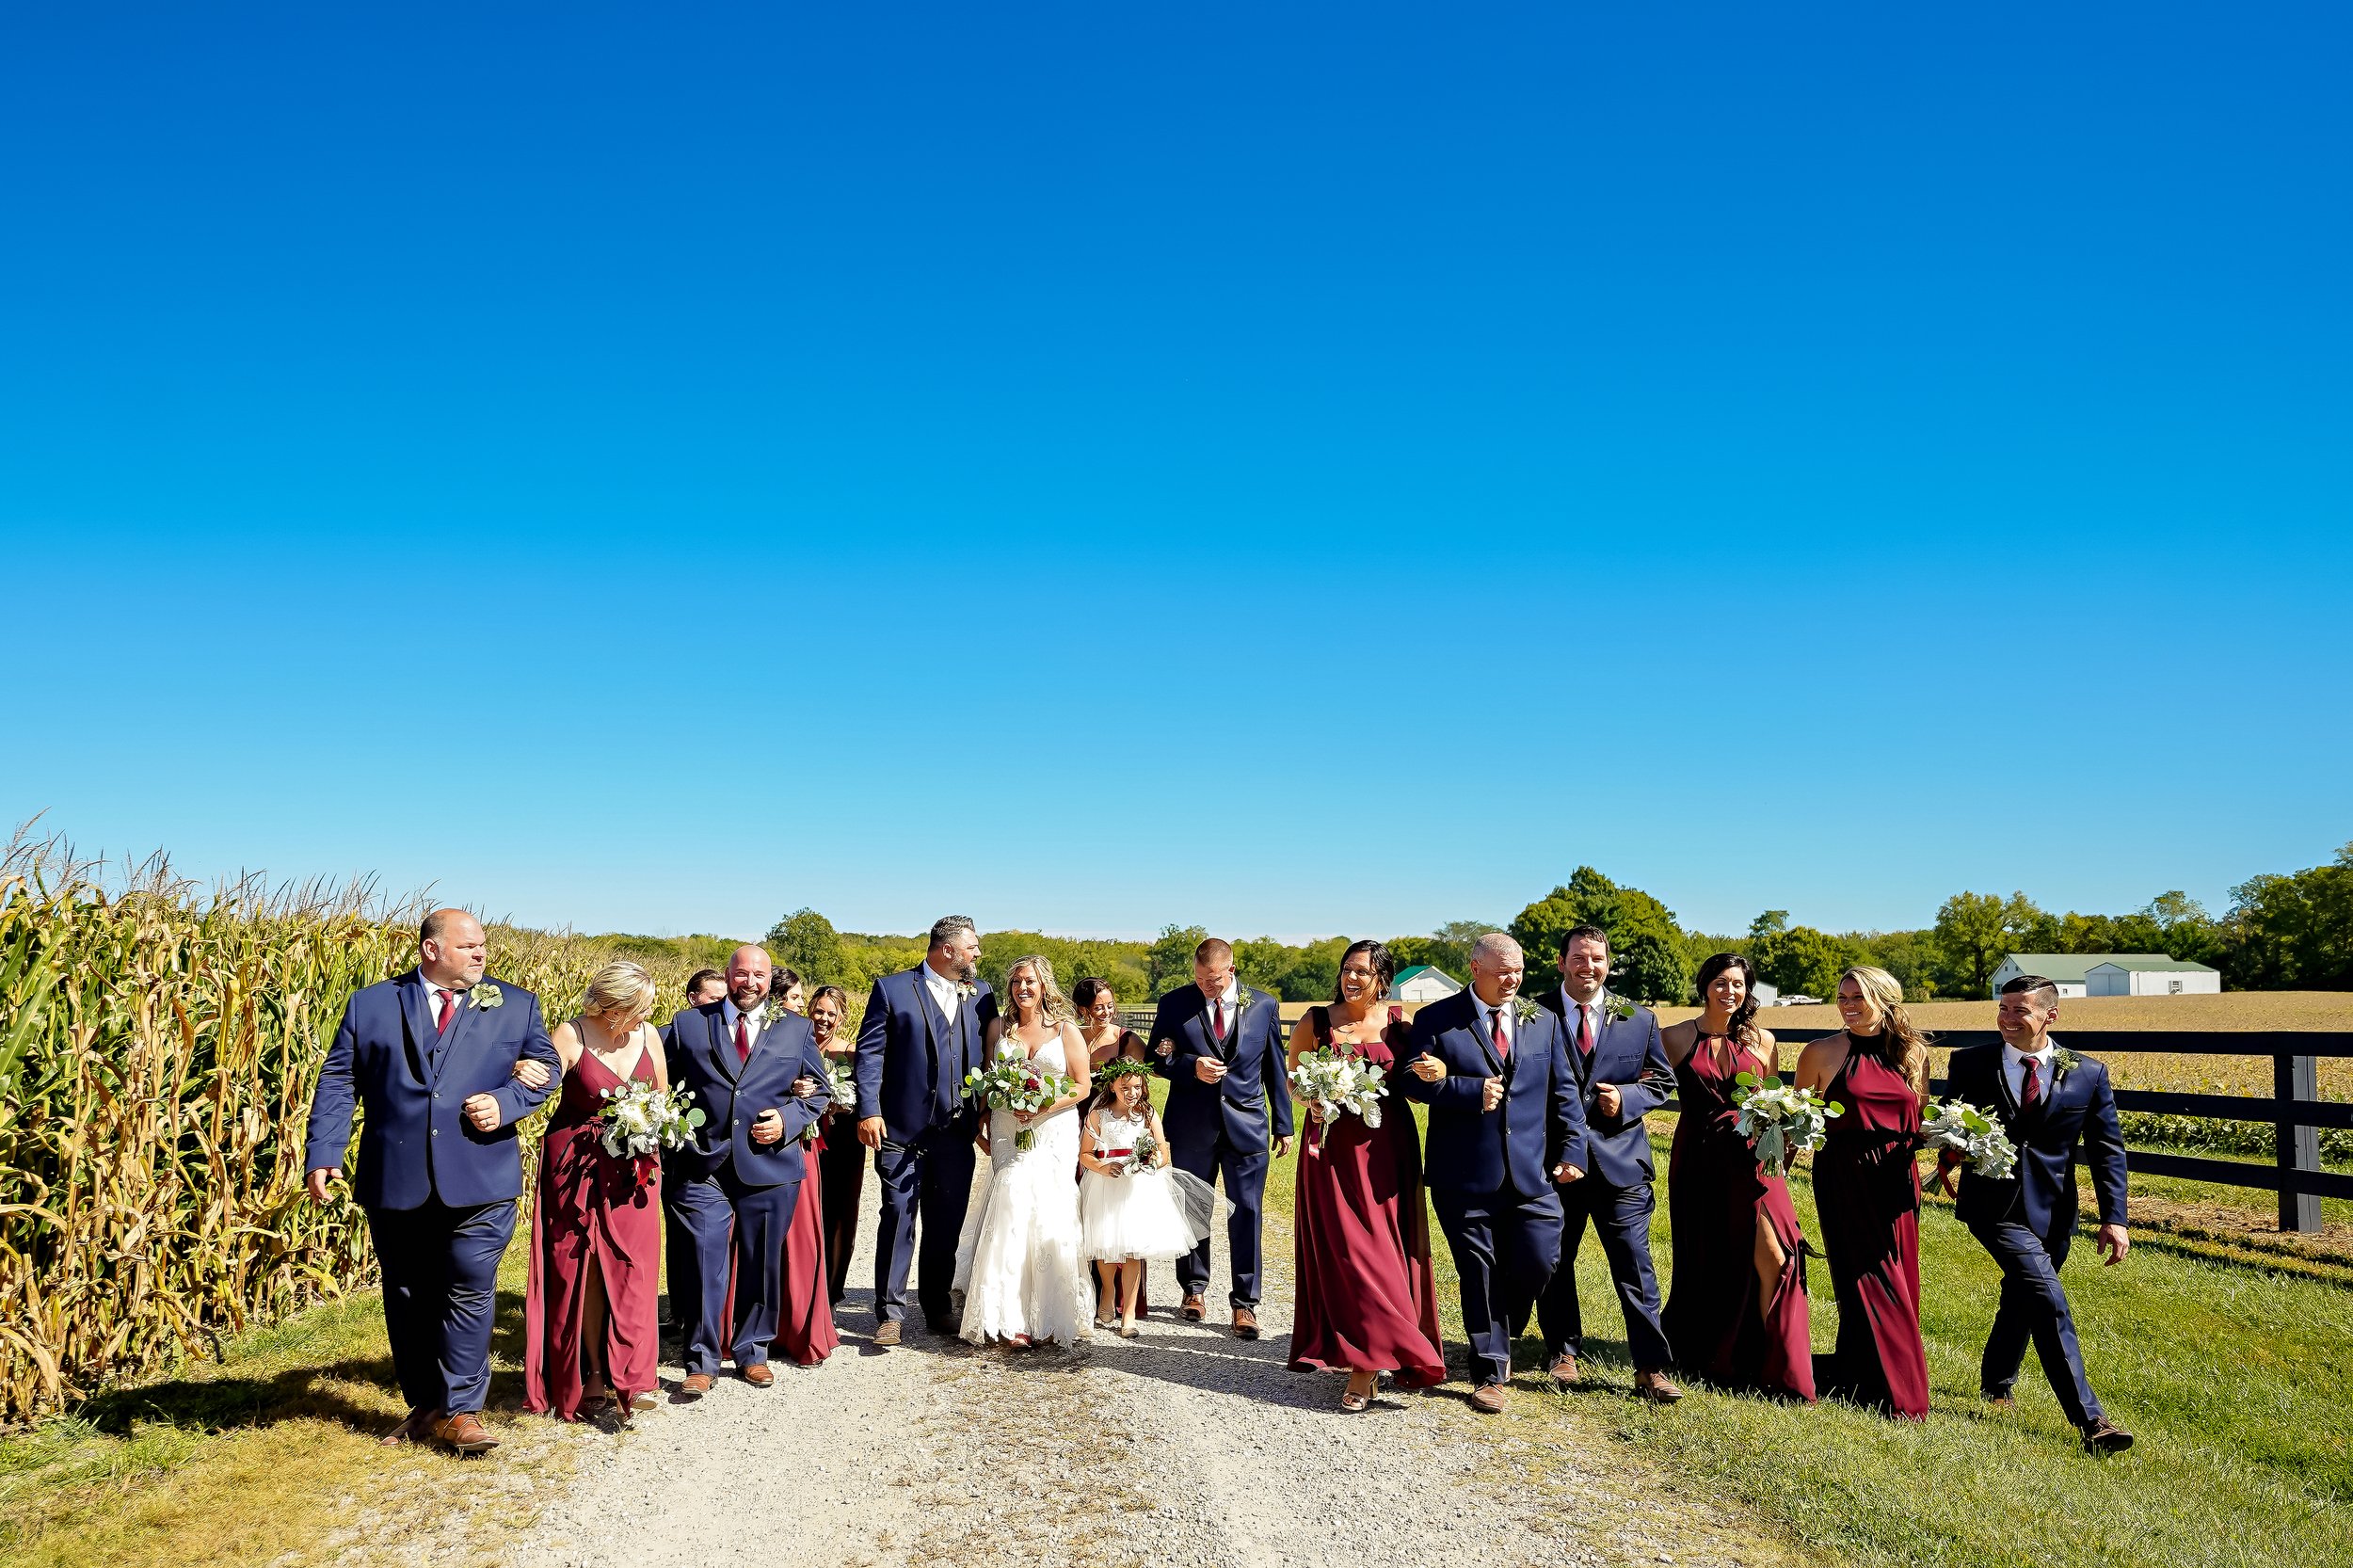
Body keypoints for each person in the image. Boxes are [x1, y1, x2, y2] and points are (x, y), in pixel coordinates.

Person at [303, 909, 560, 1454]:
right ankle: (426, 1404)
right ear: (430, 950)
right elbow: (339, 1079)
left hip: (481, 1174)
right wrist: (324, 1152)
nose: (480, 955)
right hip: (396, 1175)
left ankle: (463, 1410)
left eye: (483, 946)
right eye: (468, 947)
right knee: (408, 1293)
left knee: (470, 1285)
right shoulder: (370, 1004)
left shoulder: (514, 1004)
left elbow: (545, 1068)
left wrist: (507, 1102)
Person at [1938, 974, 2135, 1453]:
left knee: (2023, 1294)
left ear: (2050, 1015)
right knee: (2046, 1297)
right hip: (1992, 1204)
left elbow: (2107, 1149)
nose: (2006, 1018)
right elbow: (1948, 1120)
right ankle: (2091, 1421)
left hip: (2055, 1209)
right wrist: (1950, 1149)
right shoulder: (1969, 1063)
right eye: (2002, 1008)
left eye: (2018, 1010)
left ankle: (1997, 1384)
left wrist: (2115, 1217)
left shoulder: (2088, 1073)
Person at [1394, 932, 1585, 1416]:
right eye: (1503, 970)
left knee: (1542, 1258)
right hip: (1463, 1172)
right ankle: (1490, 1369)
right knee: (1477, 1271)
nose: (1512, 979)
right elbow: (1410, 1084)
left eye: (1518, 970)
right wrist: (1465, 1090)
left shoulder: (1542, 1020)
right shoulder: (1437, 1019)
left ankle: (1504, 1325)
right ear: (1475, 968)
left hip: (1533, 1173)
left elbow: (1564, 1093)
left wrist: (1573, 1152)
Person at [662, 944, 831, 1393]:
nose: (750, 983)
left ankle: (752, 1350)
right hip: (703, 1165)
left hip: (770, 1166)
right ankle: (701, 1360)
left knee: (760, 1262)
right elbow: (653, 1075)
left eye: (759, 975)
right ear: (728, 975)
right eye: (741, 974)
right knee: (703, 1259)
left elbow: (819, 1092)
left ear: (769, 979)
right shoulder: (687, 1024)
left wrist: (789, 1119)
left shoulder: (795, 1029)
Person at [1285, 940, 1445, 1410]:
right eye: (1347, 969)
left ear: (1383, 980)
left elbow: (1418, 1081)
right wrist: (1309, 1096)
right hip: (1330, 1150)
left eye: (1363, 972)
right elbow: (1293, 1078)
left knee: (1382, 1249)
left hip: (1386, 1151)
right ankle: (1362, 1358)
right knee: (1345, 1252)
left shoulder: (1401, 1027)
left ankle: (1372, 1361)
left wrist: (1439, 1070)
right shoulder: (1316, 1022)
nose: (1352, 978)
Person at [1531, 925, 1681, 1402]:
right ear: (1561, 962)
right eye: (1578, 957)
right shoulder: (1533, 1013)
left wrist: (1629, 1097)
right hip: (1555, 1163)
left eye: (1597, 959)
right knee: (1556, 1260)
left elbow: (1662, 1080)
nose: (1588, 967)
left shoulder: (1638, 1018)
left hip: (1621, 1162)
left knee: (1635, 1265)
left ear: (1608, 964)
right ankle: (1562, 1353)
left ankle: (1651, 1367)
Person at [1658, 953, 1814, 1402]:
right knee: (1708, 1251)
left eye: (1740, 985)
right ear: (1705, 985)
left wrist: (1790, 1136)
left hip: (1754, 1157)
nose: (1731, 992)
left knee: (1776, 1253)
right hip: (1700, 1158)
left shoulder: (1763, 1040)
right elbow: (1646, 1085)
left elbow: (1774, 1098)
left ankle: (1772, 1356)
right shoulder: (1675, 1036)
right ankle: (1707, 1349)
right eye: (1722, 983)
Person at [519, 960, 667, 1421]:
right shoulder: (572, 1034)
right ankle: (591, 1375)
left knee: (633, 1267)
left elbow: (662, 1097)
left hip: (634, 1169)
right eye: (636, 1009)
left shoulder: (649, 1036)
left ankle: (636, 1377)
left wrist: (653, 1123)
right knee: (580, 1268)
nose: (642, 1018)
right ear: (611, 1006)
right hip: (576, 1167)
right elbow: (543, 1083)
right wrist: (525, 1073)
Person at [1796, 965, 1931, 1419]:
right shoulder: (1820, 1052)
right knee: (1867, 1275)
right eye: (1843, 997)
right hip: (1844, 1173)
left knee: (1900, 1275)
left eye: (1859, 997)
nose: (1849, 1005)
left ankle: (1859, 1373)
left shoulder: (1913, 1053)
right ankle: (1901, 1392)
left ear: (1885, 999)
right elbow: (1798, 1121)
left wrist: (1953, 1142)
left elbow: (1918, 1115)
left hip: (1897, 1177)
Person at [856, 916, 996, 1345]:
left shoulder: (982, 994)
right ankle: (890, 1312)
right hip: (901, 1129)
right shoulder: (892, 989)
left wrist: (989, 1109)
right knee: (897, 1215)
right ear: (947, 949)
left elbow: (992, 1056)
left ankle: (936, 1305)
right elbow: (870, 1054)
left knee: (946, 1222)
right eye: (971, 946)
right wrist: (869, 1110)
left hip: (957, 1131)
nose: (977, 954)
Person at [1150, 937, 1295, 1338]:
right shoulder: (1174, 1003)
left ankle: (1245, 1303)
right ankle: (1193, 1289)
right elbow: (1155, 1058)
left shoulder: (1263, 1004)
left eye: (1212, 981)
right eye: (1199, 980)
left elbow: (1273, 1067)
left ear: (1230, 971)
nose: (1205, 988)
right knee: (1192, 1206)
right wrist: (1189, 1066)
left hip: (1247, 1126)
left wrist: (1284, 1124)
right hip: (1191, 1125)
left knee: (1247, 1212)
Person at [952, 954, 1094, 1347]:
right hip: (1007, 1128)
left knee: (1049, 1212)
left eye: (1029, 981)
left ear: (1043, 985)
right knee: (1011, 1203)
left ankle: (1050, 1314)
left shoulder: (1066, 1031)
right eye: (1015, 983)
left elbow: (1081, 1087)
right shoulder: (998, 1028)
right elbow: (987, 1079)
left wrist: (1044, 1105)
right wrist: (984, 1114)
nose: (1022, 988)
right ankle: (1010, 1316)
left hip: (1053, 1130)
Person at [1079, 1059, 1211, 1338]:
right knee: (1105, 1246)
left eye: (1137, 1087)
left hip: (1138, 1186)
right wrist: (1102, 1167)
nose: (1132, 1092)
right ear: (1112, 1086)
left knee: (1133, 1251)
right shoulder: (1098, 1115)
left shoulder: (1147, 1113)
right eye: (1125, 1087)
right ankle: (1107, 1290)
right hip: (1106, 1184)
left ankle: (1128, 1313)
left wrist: (1150, 1163)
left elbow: (1164, 1152)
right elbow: (1085, 1155)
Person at [657, 968, 728, 1338]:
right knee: (678, 1237)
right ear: (692, 999)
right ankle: (679, 1310)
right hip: (678, 1153)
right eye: (713, 998)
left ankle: (703, 1315)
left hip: (717, 1155)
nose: (721, 1004)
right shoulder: (668, 1037)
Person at [1073, 976, 1148, 1319]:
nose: (1105, 1011)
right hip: (1071, 1126)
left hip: (1112, 1133)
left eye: (1109, 1004)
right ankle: (1081, 1293)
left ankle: (1124, 1301)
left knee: (1118, 1215)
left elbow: (1145, 1079)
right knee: (1081, 1211)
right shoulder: (1071, 1036)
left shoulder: (1127, 1039)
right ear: (1082, 1010)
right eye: (1097, 1006)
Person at [808, 984, 866, 1305]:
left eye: (832, 1013)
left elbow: (865, 1096)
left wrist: (842, 1104)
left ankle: (830, 1291)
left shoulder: (852, 1053)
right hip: (805, 1140)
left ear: (842, 1018)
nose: (824, 1019)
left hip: (842, 1142)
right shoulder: (797, 1047)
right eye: (819, 1011)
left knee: (840, 1212)